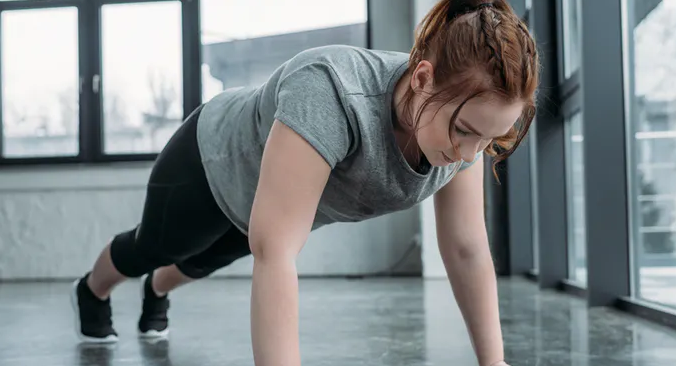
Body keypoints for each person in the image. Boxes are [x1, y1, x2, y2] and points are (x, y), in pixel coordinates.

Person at [70, 0, 539, 365]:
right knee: (157, 247)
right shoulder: (331, 91)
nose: (469, 155)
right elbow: (275, 253)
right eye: (464, 131)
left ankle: (157, 290)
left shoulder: (462, 127)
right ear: (422, 78)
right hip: (210, 162)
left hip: (265, 201)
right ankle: (92, 291)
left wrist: (494, 360)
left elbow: (466, 249)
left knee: (201, 262)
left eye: (489, 140)